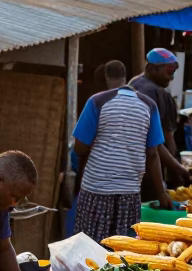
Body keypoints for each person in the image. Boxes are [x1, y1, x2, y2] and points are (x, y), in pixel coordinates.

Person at [73, 59, 169, 240]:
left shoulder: (97, 101)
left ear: (105, 77)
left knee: (89, 245)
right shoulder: (149, 105)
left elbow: (80, 146)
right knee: (122, 250)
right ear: (125, 77)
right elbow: (153, 154)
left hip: (96, 190)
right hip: (129, 192)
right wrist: (161, 193)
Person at [131, 48, 191, 198]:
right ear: (152, 68)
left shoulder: (133, 84)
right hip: (148, 174)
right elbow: (164, 143)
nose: (171, 79)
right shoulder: (156, 93)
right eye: (168, 73)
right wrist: (179, 175)